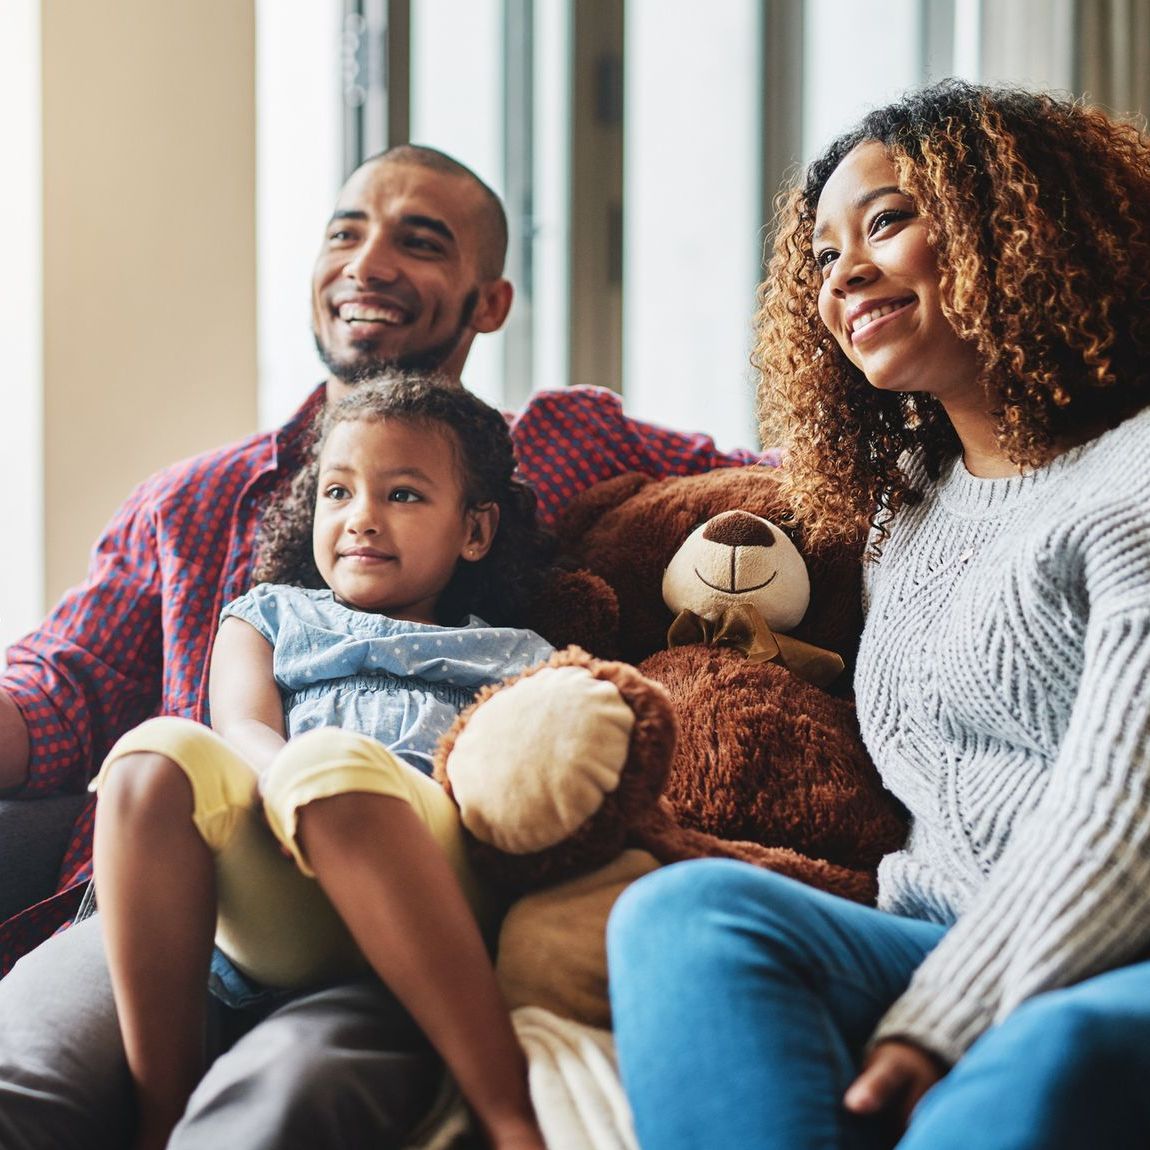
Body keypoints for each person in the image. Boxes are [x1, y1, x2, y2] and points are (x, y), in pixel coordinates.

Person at [0, 143, 765, 1149]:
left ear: (487, 302)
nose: (367, 262)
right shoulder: (195, 501)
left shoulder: (570, 449)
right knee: (22, 1085)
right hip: (175, 892)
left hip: (402, 901)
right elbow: (60, 685)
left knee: (275, 1112)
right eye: (345, 233)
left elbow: (778, 489)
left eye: (419, 240)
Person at [607, 80, 1150, 1150]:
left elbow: (1121, 821)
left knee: (1049, 1054)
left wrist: (939, 1025)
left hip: (1117, 946)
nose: (841, 275)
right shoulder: (908, 498)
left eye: (887, 221)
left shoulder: (1134, 473)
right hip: (931, 936)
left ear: (1019, 227)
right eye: (819, 256)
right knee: (681, 916)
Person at [93, 373, 553, 1150]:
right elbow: (239, 723)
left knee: (333, 767)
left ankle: (508, 1112)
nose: (361, 519)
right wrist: (281, 776)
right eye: (338, 493)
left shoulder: (518, 655)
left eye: (402, 496)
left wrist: (317, 771)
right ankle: (159, 1118)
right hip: (278, 865)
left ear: (475, 531)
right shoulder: (267, 615)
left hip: (428, 869)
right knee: (149, 759)